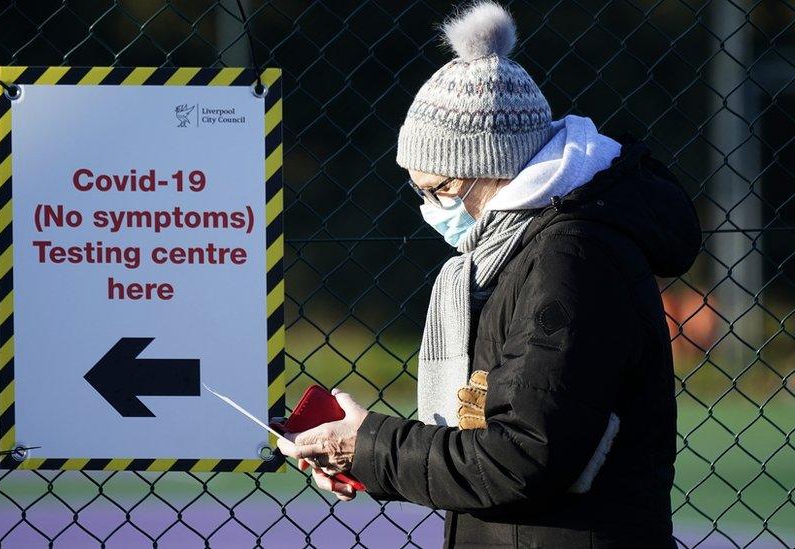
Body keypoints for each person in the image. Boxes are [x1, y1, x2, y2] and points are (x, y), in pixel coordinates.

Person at [276, 2, 701, 547]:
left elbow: (521, 458)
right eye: (419, 191)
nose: (431, 207)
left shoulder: (569, 258)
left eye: (442, 189)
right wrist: (367, 455)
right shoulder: (522, 250)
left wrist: (368, 445)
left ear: (493, 166)